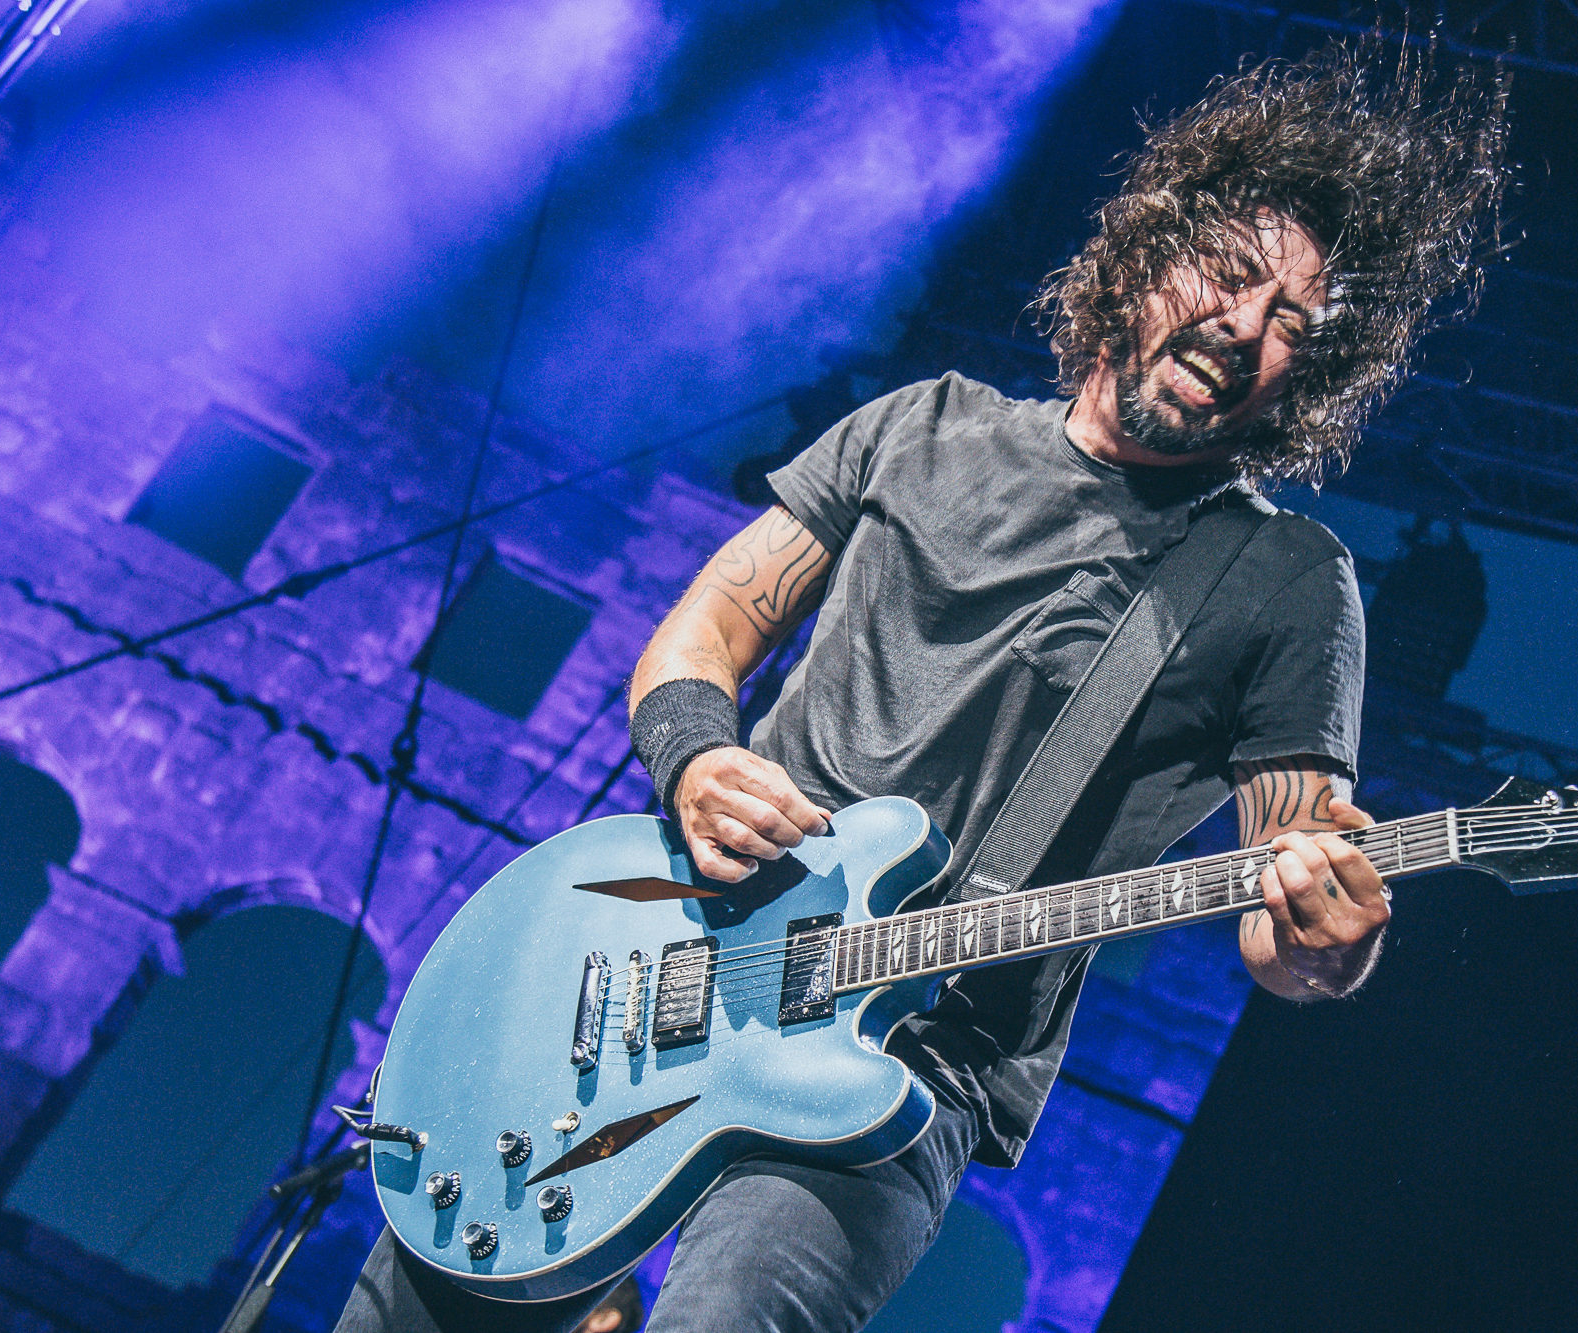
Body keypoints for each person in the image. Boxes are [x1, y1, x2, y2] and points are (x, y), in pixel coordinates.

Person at [336, 36, 1507, 1333]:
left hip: (908, 1068)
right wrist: (698, 758)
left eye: (1292, 321)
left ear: (1311, 375)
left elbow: (1288, 897)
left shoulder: (1287, 582)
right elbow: (707, 626)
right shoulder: (920, 425)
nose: (1243, 326)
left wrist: (1326, 943)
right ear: (1143, 252)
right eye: (1229, 275)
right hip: (667, 961)